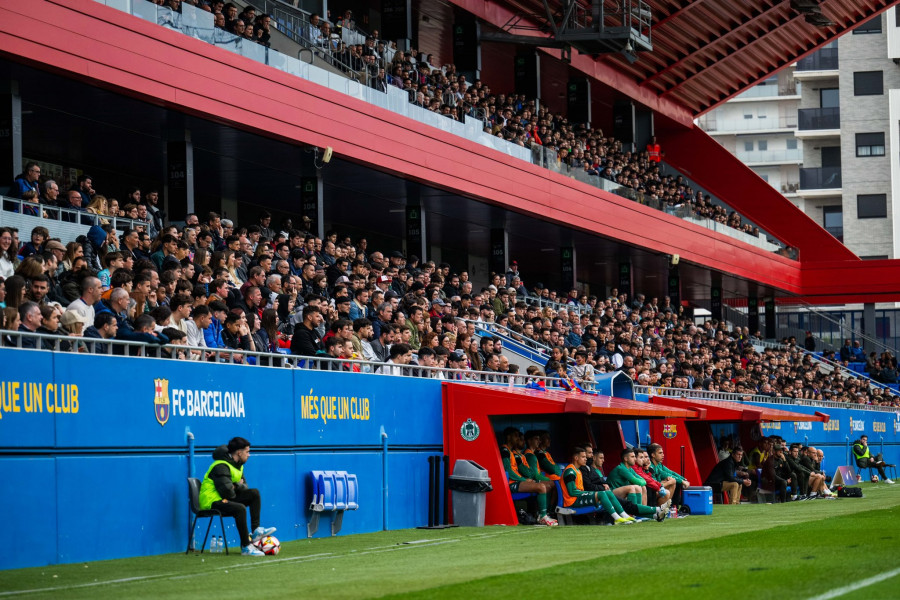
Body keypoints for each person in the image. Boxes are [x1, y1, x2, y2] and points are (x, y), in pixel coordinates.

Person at [198, 437, 276, 556]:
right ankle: (246, 546)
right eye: (247, 452)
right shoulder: (221, 466)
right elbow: (228, 492)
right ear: (239, 453)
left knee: (254, 493)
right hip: (212, 501)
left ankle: (256, 531)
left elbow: (244, 486)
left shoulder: (238, 465)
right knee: (240, 508)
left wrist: (236, 486)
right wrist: (237, 485)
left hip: (226, 498)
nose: (249, 455)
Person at [561, 447, 635, 525]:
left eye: (585, 457)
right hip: (573, 500)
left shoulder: (578, 470)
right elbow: (572, 492)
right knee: (601, 493)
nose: (586, 459)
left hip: (579, 497)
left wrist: (590, 493)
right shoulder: (570, 471)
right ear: (576, 458)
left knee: (608, 492)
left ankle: (624, 515)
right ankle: (617, 518)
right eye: (583, 457)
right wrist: (591, 493)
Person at [499, 427, 557, 526]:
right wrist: (524, 479)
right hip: (510, 484)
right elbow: (507, 470)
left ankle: (542, 514)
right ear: (509, 437)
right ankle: (542, 516)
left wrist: (525, 479)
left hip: (517, 481)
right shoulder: (505, 450)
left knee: (545, 486)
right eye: (516, 436)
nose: (518, 438)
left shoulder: (510, 451)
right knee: (542, 487)